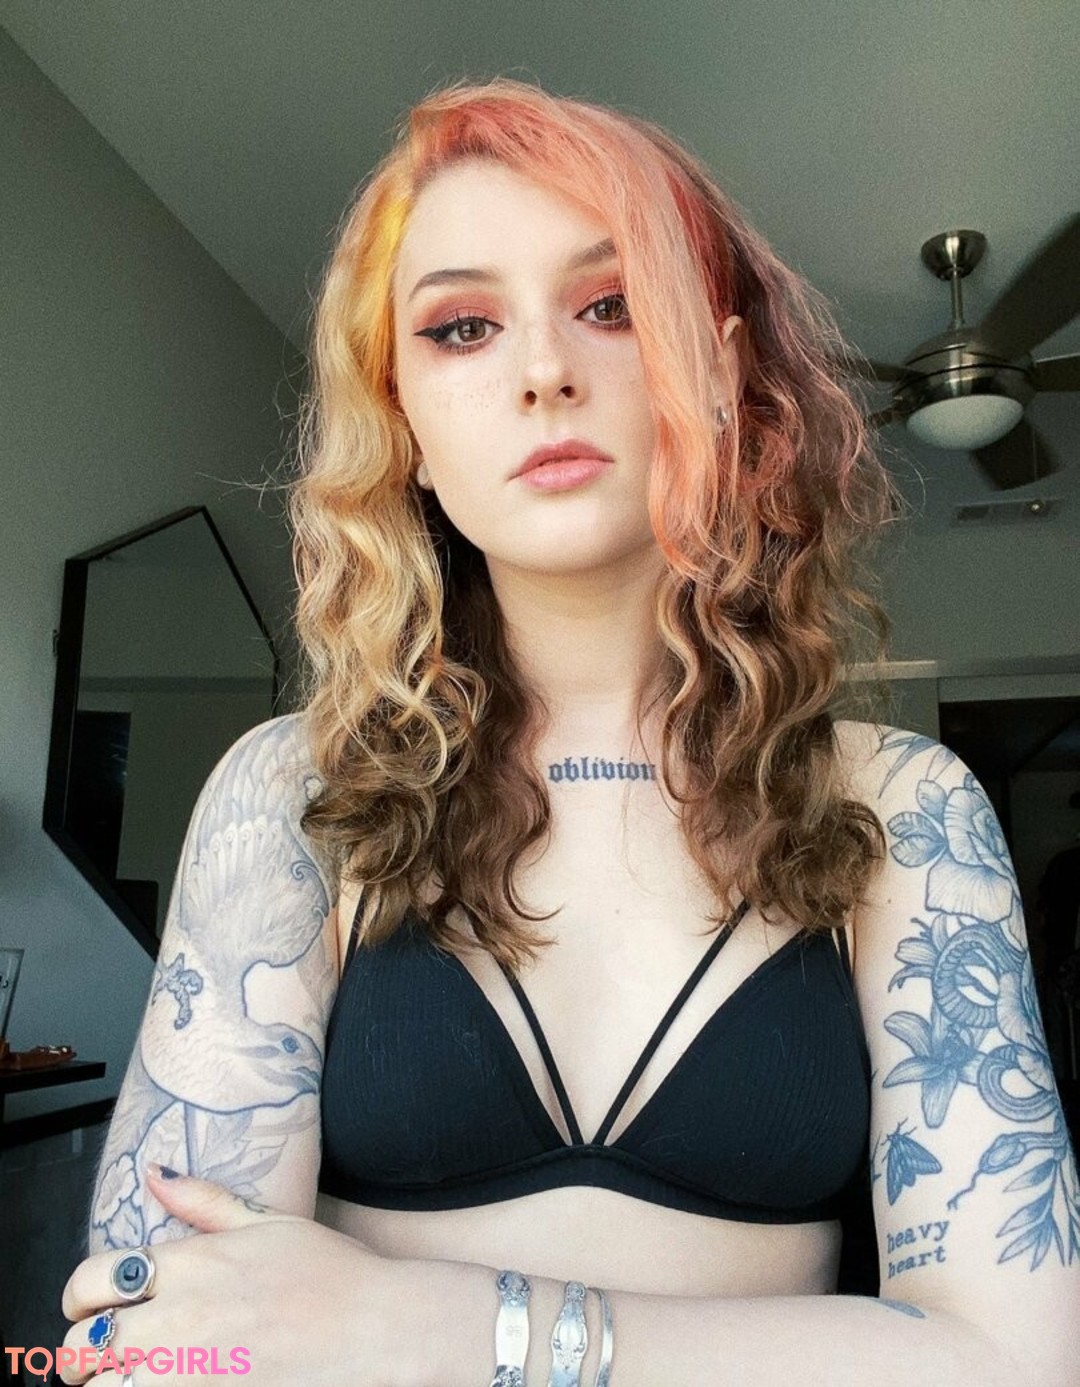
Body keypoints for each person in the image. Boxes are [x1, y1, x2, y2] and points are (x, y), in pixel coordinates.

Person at [58, 78, 1077, 1386]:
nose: (544, 372)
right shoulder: (294, 796)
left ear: (718, 371)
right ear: (404, 421)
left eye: (611, 306)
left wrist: (445, 1330)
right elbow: (166, 1345)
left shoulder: (904, 810)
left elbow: (1016, 1360)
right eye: (462, 328)